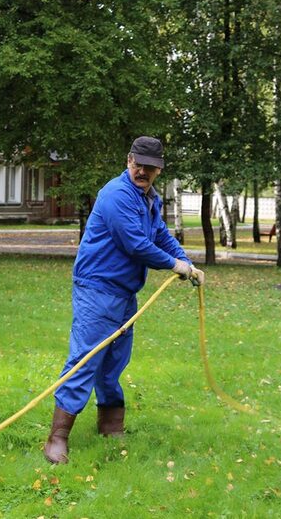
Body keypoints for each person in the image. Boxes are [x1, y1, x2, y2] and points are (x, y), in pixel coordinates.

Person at [44, 136, 205, 464]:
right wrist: (176, 266)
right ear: (129, 159)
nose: (143, 171)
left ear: (159, 170)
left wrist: (186, 261)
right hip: (97, 290)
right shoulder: (117, 195)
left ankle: (110, 426)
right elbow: (136, 244)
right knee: (85, 360)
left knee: (114, 363)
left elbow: (159, 234)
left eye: (151, 167)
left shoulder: (149, 197)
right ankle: (57, 438)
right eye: (139, 164)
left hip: (123, 293)